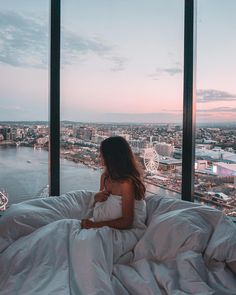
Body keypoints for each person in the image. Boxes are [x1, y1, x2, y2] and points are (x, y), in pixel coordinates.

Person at [81, 136, 146, 230]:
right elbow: (100, 205)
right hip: (101, 224)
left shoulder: (126, 184)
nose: (99, 157)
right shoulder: (105, 177)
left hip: (120, 231)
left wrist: (94, 225)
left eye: (102, 154)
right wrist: (96, 198)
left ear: (111, 157)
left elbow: (127, 222)